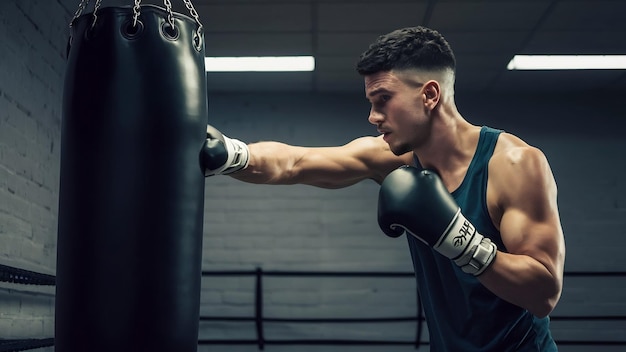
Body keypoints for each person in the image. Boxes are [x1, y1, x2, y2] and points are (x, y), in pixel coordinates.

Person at [200, 26, 566, 351]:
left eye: (383, 100)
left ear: (429, 95)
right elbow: (295, 162)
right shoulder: (393, 157)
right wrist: (233, 154)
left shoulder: (514, 164)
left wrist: (460, 241)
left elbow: (544, 293)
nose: (374, 117)